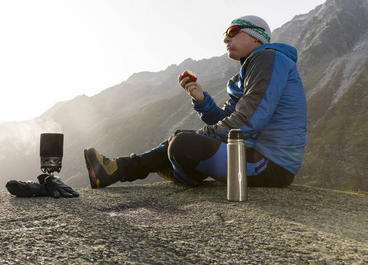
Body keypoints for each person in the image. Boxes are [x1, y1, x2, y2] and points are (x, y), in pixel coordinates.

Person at [84, 15, 307, 189]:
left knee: (183, 143)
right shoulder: (248, 72)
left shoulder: (267, 57)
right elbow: (227, 120)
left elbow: (249, 121)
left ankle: (182, 170)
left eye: (233, 31)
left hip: (270, 165)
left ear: (256, 36)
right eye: (225, 33)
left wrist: (197, 137)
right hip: (250, 153)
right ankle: (115, 169)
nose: (225, 38)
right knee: (182, 139)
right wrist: (201, 100)